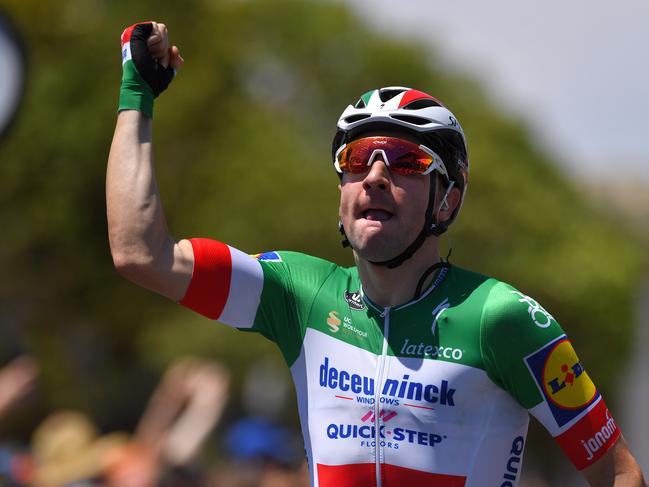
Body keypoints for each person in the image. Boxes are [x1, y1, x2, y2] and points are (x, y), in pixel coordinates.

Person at [106, 21, 646, 487]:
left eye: (406, 161)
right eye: (359, 156)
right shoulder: (298, 295)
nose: (376, 176)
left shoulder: (500, 318)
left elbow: (618, 471)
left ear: (448, 199)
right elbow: (141, 253)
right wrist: (137, 94)